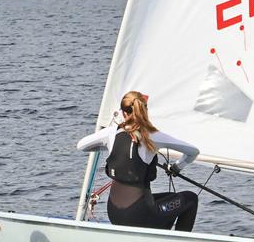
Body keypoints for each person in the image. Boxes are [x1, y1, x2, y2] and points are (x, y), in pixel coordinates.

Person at [77, 91, 200, 232]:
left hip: (114, 214)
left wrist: (107, 146)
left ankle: (155, 241)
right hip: (140, 216)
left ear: (123, 113)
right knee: (190, 199)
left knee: (172, 198)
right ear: (145, 110)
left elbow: (81, 145)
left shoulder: (112, 132)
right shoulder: (153, 135)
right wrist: (177, 167)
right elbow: (193, 152)